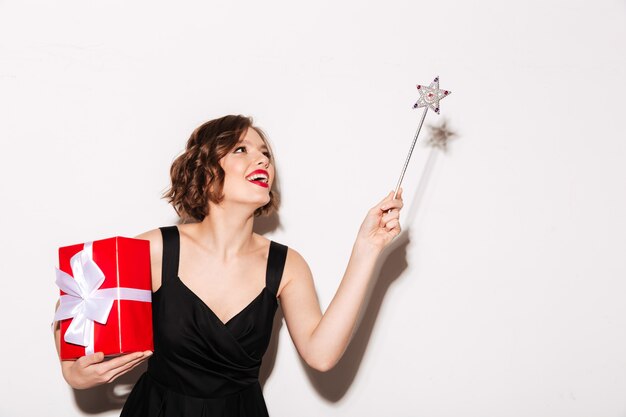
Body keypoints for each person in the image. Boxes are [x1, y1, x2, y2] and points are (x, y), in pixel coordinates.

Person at [54, 115, 404, 416]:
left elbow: (322, 355)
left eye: (265, 153)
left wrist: (367, 249)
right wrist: (72, 371)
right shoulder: (156, 248)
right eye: (242, 149)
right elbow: (73, 297)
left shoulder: (287, 265)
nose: (263, 160)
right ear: (205, 172)